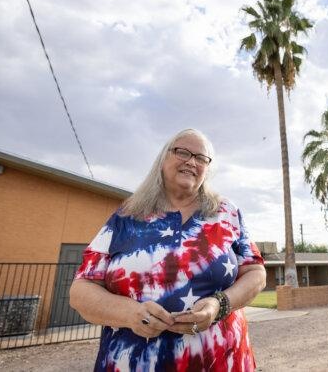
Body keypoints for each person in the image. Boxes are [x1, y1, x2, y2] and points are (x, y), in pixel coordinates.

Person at [70, 129, 266, 371]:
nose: (191, 161)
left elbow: (256, 273)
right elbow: (80, 290)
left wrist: (219, 305)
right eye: (182, 152)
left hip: (222, 359)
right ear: (163, 159)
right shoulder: (127, 216)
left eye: (201, 158)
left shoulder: (227, 213)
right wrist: (131, 314)